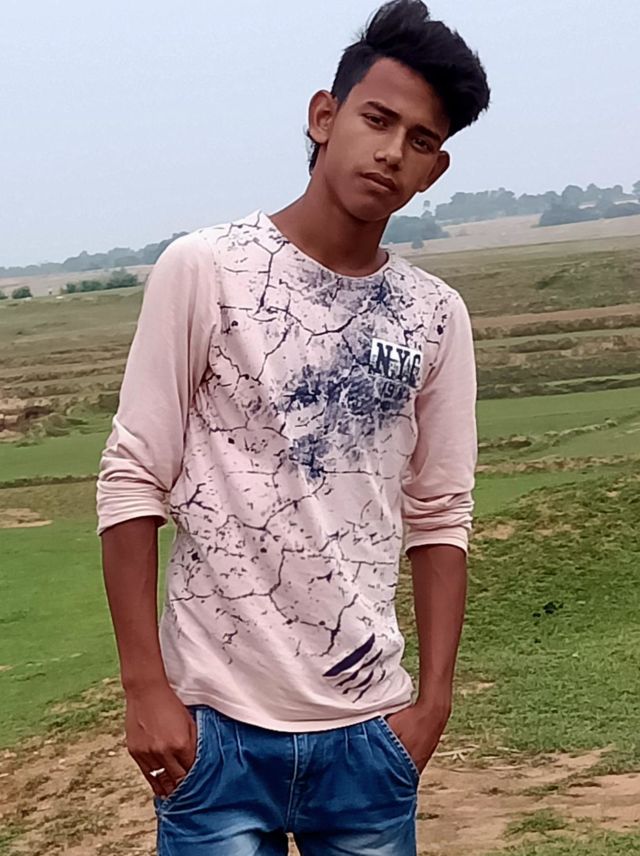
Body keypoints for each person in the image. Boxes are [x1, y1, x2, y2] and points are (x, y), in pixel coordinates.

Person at [96, 1, 490, 853]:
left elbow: (440, 512)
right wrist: (145, 689)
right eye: (377, 119)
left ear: (435, 169)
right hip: (215, 731)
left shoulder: (435, 316)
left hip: (369, 735)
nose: (392, 151)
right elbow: (132, 478)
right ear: (324, 116)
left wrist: (432, 705)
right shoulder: (206, 270)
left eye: (421, 140)